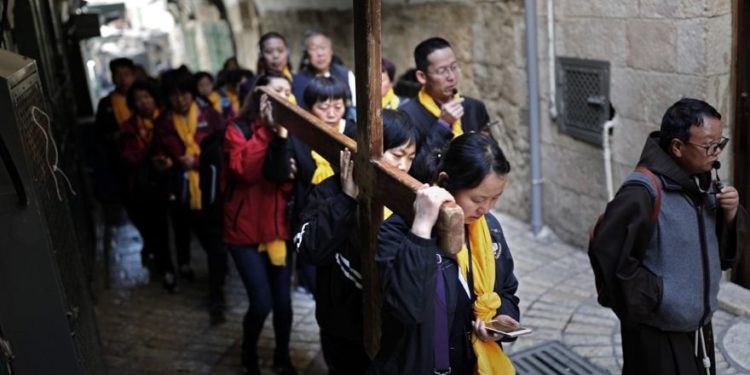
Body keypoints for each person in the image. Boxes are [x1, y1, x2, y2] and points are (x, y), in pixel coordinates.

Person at [589, 98, 747, 375]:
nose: (716, 154)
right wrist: (661, 300)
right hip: (657, 336)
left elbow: (721, 256)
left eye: (720, 143)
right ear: (676, 147)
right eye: (709, 146)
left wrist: (731, 215)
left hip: (697, 327)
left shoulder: (701, 180)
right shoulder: (642, 192)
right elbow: (610, 257)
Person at [371, 133, 520, 374]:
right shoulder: (400, 229)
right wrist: (421, 230)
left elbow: (506, 290)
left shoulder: (487, 229)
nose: (486, 209)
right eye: (478, 199)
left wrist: (501, 317)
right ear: (445, 181)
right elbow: (407, 309)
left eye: (495, 199)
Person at [294, 110, 419, 374]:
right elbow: (310, 251)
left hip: (392, 326)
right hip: (343, 328)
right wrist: (346, 201)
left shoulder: (407, 196)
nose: (404, 166)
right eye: (397, 155)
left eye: (411, 157)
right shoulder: (328, 192)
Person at [223, 71, 298, 375]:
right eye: (277, 90)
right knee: (261, 303)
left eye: (288, 91)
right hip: (244, 232)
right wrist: (269, 132)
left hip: (277, 228)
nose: (284, 96)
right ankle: (248, 354)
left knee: (283, 305)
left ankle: (282, 357)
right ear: (260, 94)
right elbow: (244, 172)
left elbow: (293, 181)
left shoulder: (292, 131)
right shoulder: (236, 130)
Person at [155, 68, 228, 324]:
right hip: (183, 193)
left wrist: (197, 160)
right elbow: (159, 153)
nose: (181, 101)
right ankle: (215, 280)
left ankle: (217, 293)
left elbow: (224, 150)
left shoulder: (211, 115)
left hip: (211, 190)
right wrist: (164, 163)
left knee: (215, 244)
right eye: (174, 96)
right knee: (207, 243)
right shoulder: (163, 123)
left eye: (184, 94)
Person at [287, 76, 357, 296]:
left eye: (338, 106)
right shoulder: (299, 136)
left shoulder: (354, 133)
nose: (332, 113)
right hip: (312, 215)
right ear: (309, 108)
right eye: (323, 107)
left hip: (346, 219)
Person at [398, 37, 490, 181]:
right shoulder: (407, 115)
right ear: (422, 77)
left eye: (454, 67)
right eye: (442, 71)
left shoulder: (474, 108)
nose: (451, 77)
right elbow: (417, 173)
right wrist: (443, 125)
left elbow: (489, 158)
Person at [119, 81, 175, 290]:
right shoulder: (129, 127)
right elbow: (128, 157)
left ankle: (181, 264)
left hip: (173, 181)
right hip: (147, 187)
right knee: (158, 229)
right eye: (138, 99)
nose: (144, 102)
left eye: (147, 96)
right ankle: (167, 269)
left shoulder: (169, 119)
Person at [93, 57, 137, 228]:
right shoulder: (106, 104)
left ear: (134, 75)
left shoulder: (143, 97)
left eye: (126, 74)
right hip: (121, 163)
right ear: (112, 78)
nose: (123, 79)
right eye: (118, 75)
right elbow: (100, 135)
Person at [296, 30, 356, 119]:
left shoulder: (346, 74)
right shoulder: (298, 81)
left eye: (323, 47)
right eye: (314, 48)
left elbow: (354, 107)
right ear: (306, 53)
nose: (320, 53)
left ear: (331, 51)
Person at [239, 32, 300, 104]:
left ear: (287, 53)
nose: (276, 56)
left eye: (280, 50)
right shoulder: (249, 86)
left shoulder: (303, 83)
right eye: (269, 51)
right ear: (261, 56)